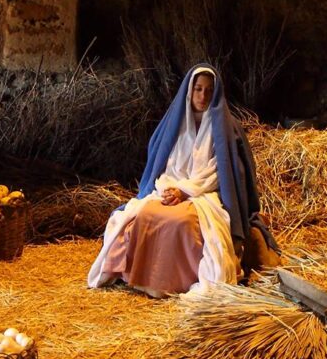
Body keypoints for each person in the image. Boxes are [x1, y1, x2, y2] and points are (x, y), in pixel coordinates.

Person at [87, 64, 277, 297]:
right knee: (147, 215)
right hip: (170, 188)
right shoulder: (175, 124)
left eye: (208, 90)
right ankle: (145, 280)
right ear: (189, 91)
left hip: (205, 194)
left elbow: (220, 173)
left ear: (216, 92)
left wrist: (186, 191)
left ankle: (177, 283)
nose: (202, 96)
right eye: (198, 89)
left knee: (182, 222)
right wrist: (170, 189)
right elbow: (165, 165)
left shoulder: (226, 129)